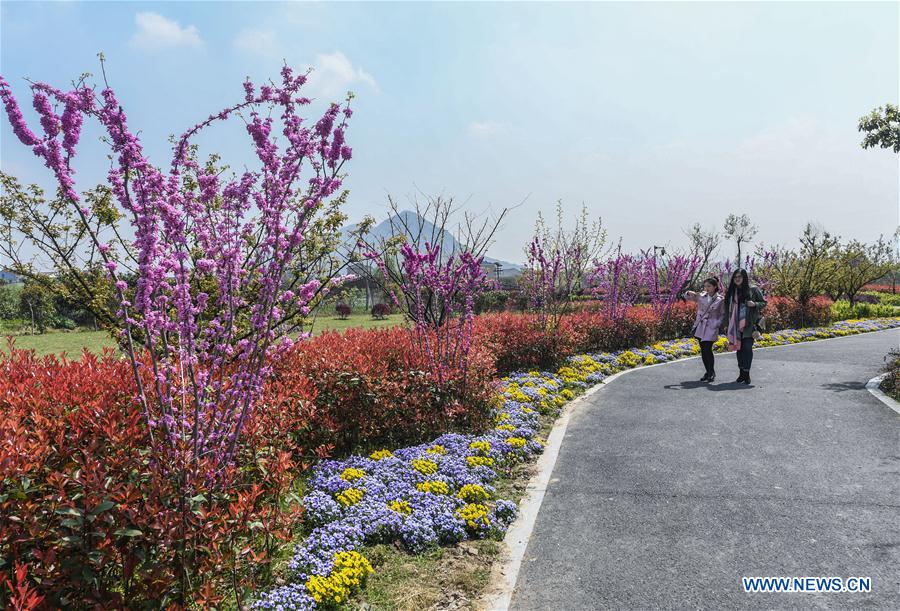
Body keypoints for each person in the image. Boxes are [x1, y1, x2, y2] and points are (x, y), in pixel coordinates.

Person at [722, 268, 767, 384]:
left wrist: (754, 304)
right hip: (734, 325)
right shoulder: (732, 291)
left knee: (747, 348)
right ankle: (741, 372)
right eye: (735, 277)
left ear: (744, 278)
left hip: (749, 325)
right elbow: (727, 309)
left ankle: (746, 373)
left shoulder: (753, 289)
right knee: (739, 349)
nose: (737, 279)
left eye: (740, 277)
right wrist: (726, 324)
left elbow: (764, 303)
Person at [685, 278, 725, 382]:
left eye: (709, 286)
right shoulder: (701, 296)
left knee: (708, 349)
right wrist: (689, 292)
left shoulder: (720, 299)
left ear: (715, 286)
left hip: (711, 327)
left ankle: (711, 372)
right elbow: (688, 298)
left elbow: (722, 314)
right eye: (705, 286)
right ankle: (708, 372)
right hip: (701, 326)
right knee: (703, 350)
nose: (706, 288)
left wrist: (717, 324)